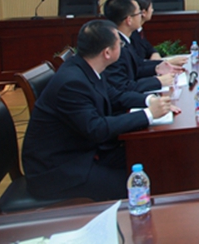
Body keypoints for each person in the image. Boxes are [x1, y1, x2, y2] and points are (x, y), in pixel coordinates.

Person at [21, 19, 177, 201]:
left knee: (151, 160)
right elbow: (96, 128)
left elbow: (115, 96)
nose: (123, 48)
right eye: (120, 45)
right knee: (138, 184)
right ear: (107, 52)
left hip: (84, 150)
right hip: (58, 169)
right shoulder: (72, 82)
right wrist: (149, 114)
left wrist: (151, 101)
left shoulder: (87, 67)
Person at [101, 0, 177, 93]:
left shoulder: (125, 39)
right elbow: (122, 87)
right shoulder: (116, 47)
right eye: (139, 13)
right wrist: (158, 81)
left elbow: (137, 66)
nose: (142, 16)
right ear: (129, 20)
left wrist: (157, 68)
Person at [131, 0, 188, 66]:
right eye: (151, 7)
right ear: (143, 12)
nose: (152, 10)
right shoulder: (132, 33)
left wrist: (154, 53)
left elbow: (148, 47)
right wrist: (169, 63)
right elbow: (138, 64)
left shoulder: (139, 30)